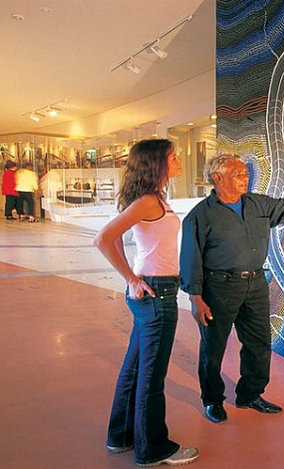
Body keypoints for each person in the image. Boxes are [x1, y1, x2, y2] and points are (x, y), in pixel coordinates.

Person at [180, 153, 284, 424]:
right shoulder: (199, 216)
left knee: (259, 343)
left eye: (246, 173)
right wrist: (196, 298)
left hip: (256, 285)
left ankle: (250, 394)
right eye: (238, 174)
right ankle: (212, 400)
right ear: (218, 178)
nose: (245, 177)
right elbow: (191, 258)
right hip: (219, 288)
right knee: (213, 348)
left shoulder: (257, 203)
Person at [93, 139, 199, 467]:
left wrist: (134, 279)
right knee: (151, 376)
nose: (179, 159)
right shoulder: (148, 201)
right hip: (156, 293)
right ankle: (152, 449)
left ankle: (121, 436)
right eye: (173, 156)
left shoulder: (153, 198)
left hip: (154, 290)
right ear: (157, 163)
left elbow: (118, 238)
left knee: (135, 368)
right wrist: (131, 278)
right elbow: (103, 238)